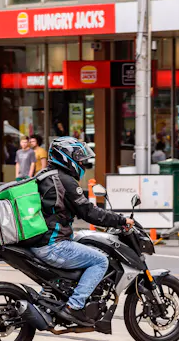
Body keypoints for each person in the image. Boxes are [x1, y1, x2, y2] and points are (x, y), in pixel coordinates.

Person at [32, 137, 134, 326]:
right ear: (65, 157)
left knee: (81, 239)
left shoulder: (44, 175)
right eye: (78, 159)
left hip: (38, 241)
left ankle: (56, 295)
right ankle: (74, 306)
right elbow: (89, 212)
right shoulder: (65, 180)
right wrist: (121, 220)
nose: (81, 163)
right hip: (52, 245)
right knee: (100, 260)